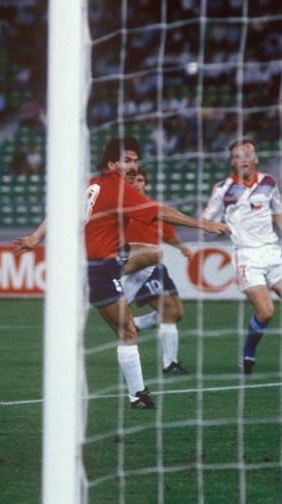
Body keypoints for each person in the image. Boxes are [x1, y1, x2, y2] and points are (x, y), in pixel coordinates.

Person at [14, 136, 230, 409]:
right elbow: (161, 211)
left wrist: (36, 237)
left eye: (135, 160)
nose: (133, 166)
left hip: (101, 261)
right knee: (127, 331)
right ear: (111, 164)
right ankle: (137, 394)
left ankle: (125, 291)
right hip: (98, 271)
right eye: (126, 160)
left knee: (153, 253)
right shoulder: (116, 188)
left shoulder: (91, 184)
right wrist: (204, 225)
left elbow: (60, 208)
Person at [202, 136, 282, 379]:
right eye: (237, 156)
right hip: (247, 256)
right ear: (232, 162)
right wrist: (215, 227)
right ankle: (248, 353)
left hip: (272, 253)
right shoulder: (223, 189)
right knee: (265, 312)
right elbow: (205, 221)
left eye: (247, 154)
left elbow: (278, 213)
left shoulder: (269, 182)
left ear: (255, 158)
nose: (242, 160)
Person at [125, 167, 192, 375]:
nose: (136, 184)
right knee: (168, 310)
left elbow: (167, 233)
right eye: (132, 181)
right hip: (137, 267)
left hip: (157, 266)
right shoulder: (123, 210)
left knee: (177, 313)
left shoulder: (154, 209)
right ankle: (169, 364)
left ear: (146, 184)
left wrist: (180, 246)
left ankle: (136, 324)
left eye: (140, 180)